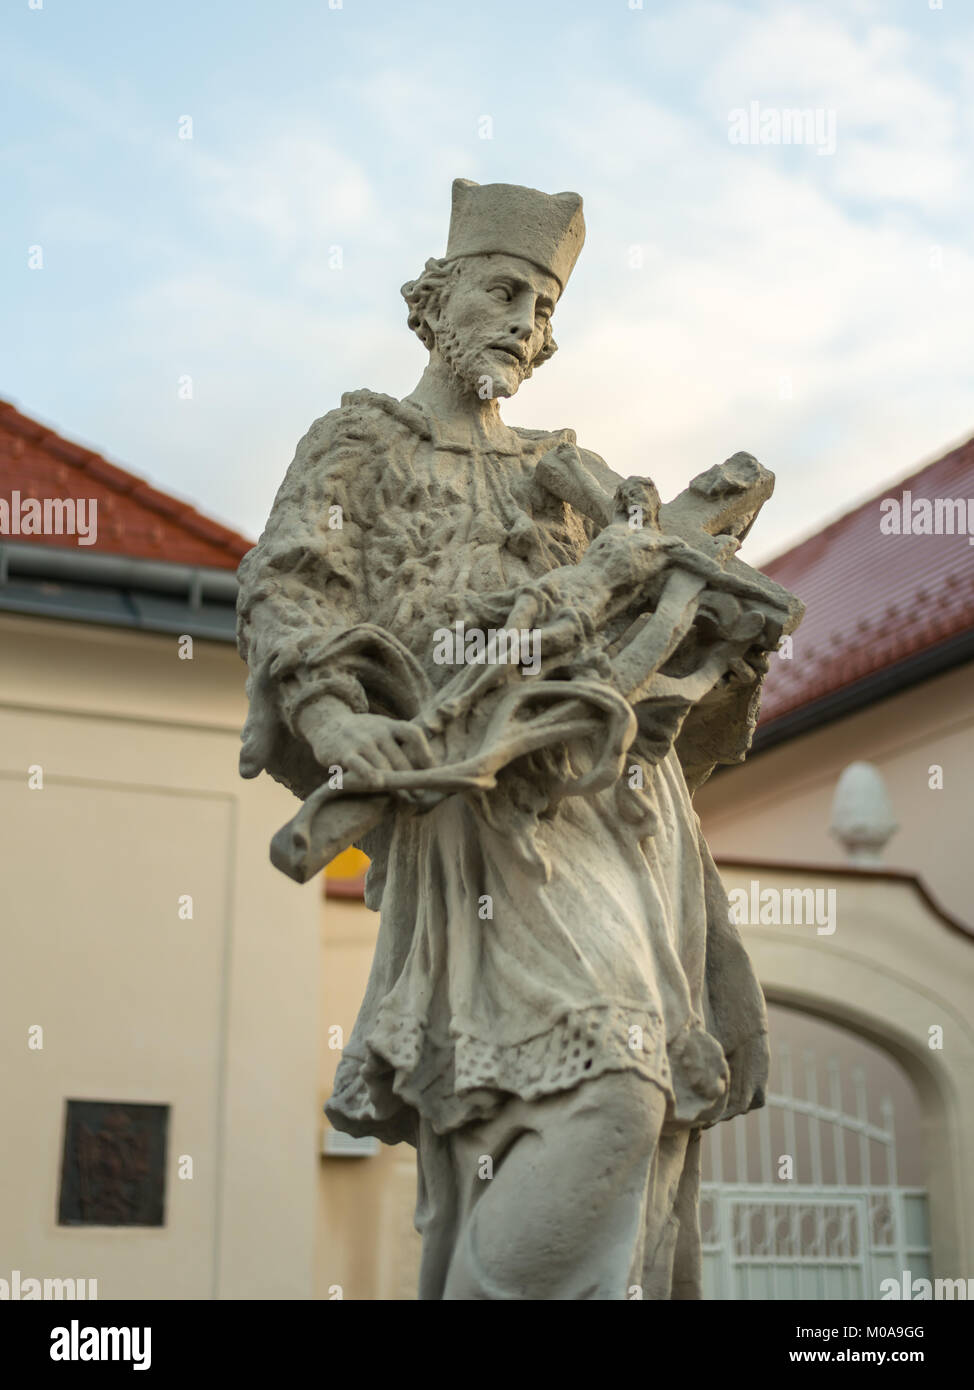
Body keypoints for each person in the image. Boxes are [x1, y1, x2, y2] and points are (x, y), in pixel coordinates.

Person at [236, 179, 776, 1299]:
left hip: (612, 807)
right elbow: (292, 586)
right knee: (606, 1084)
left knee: (639, 1097)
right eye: (502, 292)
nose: (527, 328)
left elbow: (642, 642)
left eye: (541, 305)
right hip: (476, 812)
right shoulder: (358, 444)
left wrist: (706, 622)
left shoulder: (567, 473)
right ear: (432, 302)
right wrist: (340, 719)